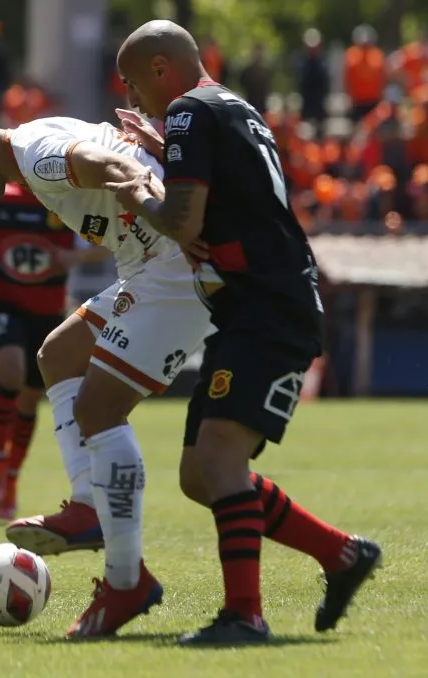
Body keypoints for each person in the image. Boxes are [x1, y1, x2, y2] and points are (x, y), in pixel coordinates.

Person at [109, 20, 383, 645]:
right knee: (199, 475)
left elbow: (182, 219)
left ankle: (244, 615)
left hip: (267, 304)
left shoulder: (186, 111)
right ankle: (341, 554)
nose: (132, 100)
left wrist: (134, 190)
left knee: (218, 457)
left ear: (160, 69)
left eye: (133, 84)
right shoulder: (231, 107)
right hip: (260, 306)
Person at [0, 101, 215, 637]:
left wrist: (170, 209)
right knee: (58, 356)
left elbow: (112, 168)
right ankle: (88, 508)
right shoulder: (32, 145)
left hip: (174, 266)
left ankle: (124, 576)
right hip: (151, 266)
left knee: (99, 405)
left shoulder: (34, 154)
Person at [0, 182, 111, 521]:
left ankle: (11, 479)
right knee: (10, 373)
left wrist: (76, 256)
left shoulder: (69, 202)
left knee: (29, 398)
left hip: (48, 311)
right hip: (3, 302)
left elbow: (112, 237)